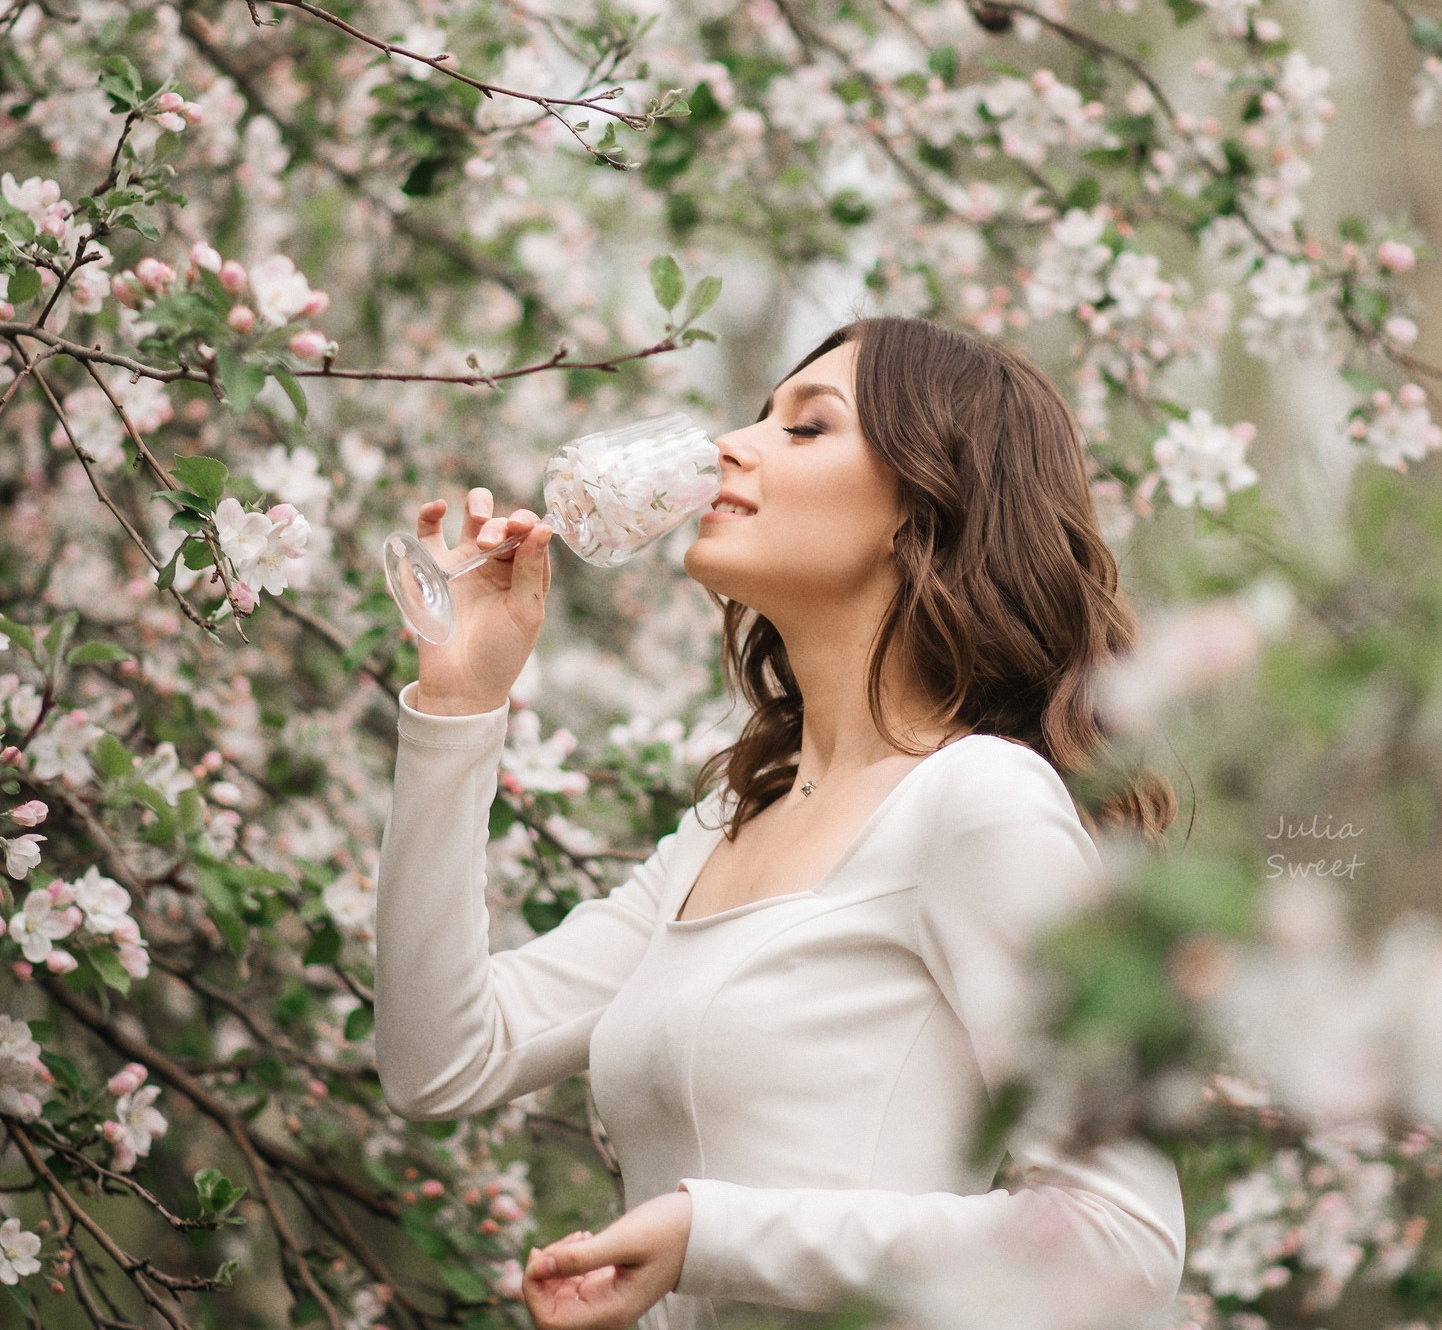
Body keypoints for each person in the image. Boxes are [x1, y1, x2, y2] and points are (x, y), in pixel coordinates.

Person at [374, 317, 1187, 1330]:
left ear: (921, 505)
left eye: (806, 429)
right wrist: (459, 710)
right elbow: (439, 1058)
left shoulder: (980, 803)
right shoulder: (728, 822)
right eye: (760, 414)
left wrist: (705, 1234)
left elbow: (1122, 1245)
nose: (729, 445)